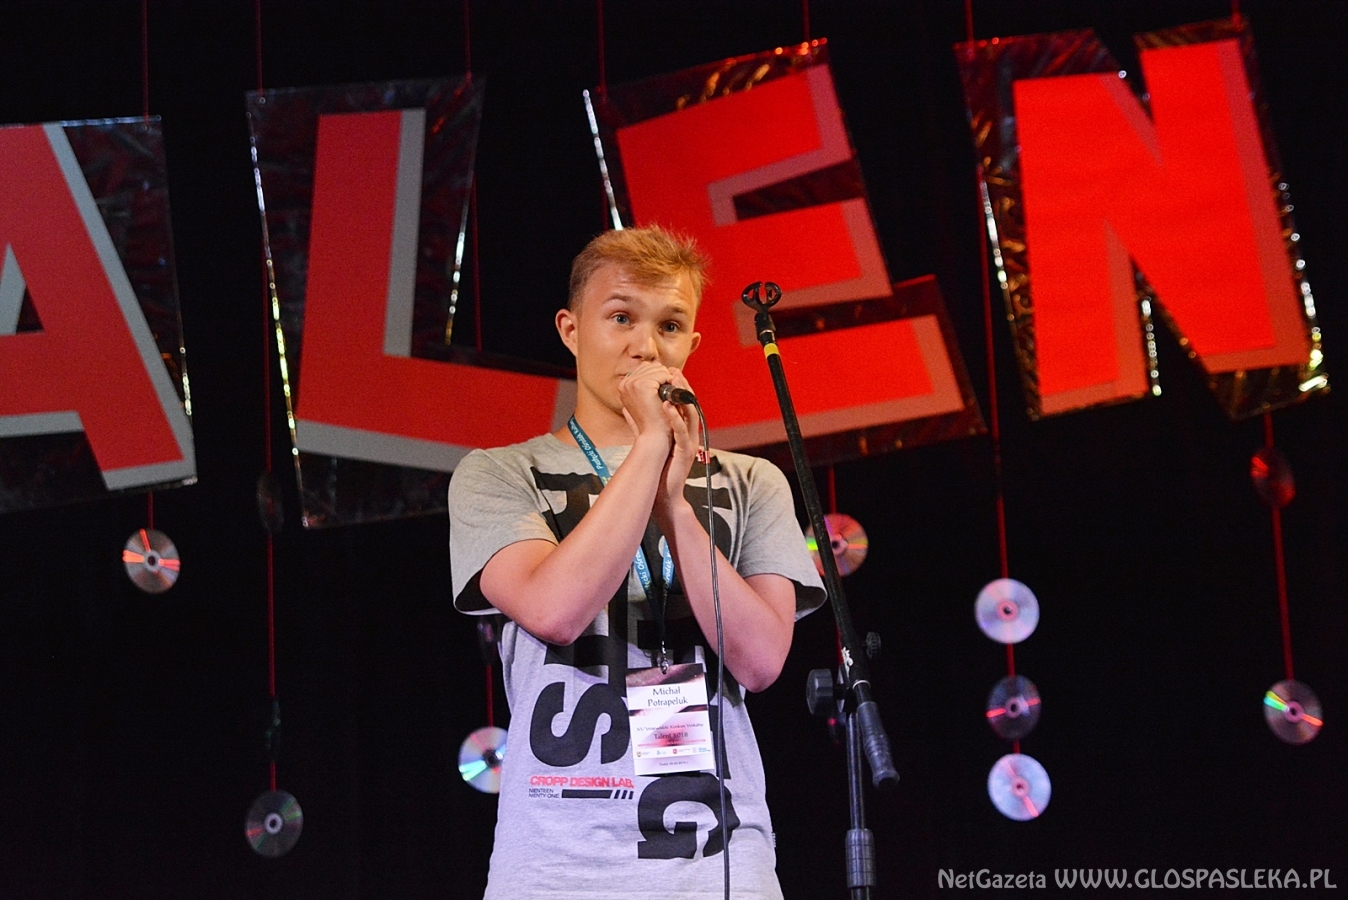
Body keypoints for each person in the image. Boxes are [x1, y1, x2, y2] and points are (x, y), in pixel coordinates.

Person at [448, 225, 824, 899]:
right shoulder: (499, 473)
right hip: (555, 867)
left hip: (720, 860)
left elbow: (762, 661)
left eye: (669, 326)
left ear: (692, 345)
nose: (646, 346)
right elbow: (554, 611)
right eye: (621, 317)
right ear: (570, 330)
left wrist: (675, 506)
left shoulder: (752, 480)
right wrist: (651, 447)